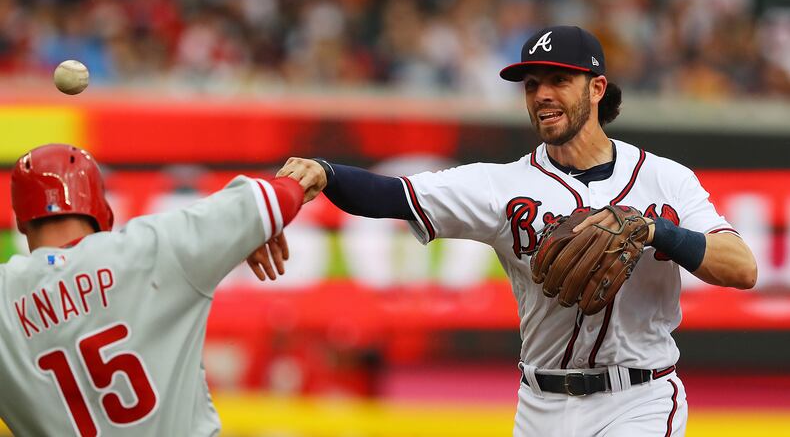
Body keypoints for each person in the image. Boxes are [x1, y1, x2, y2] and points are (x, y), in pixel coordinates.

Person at [265, 26, 758, 436]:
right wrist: (327, 172)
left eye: (559, 80)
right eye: (531, 84)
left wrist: (654, 232)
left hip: (639, 398)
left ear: (596, 88)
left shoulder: (664, 178)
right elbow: (393, 194)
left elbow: (741, 268)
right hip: (540, 406)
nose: (542, 94)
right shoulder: (501, 185)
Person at [0, 143, 304, 436]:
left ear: (22, 222)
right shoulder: (149, 247)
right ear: (99, 207)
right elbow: (274, 201)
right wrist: (315, 173)